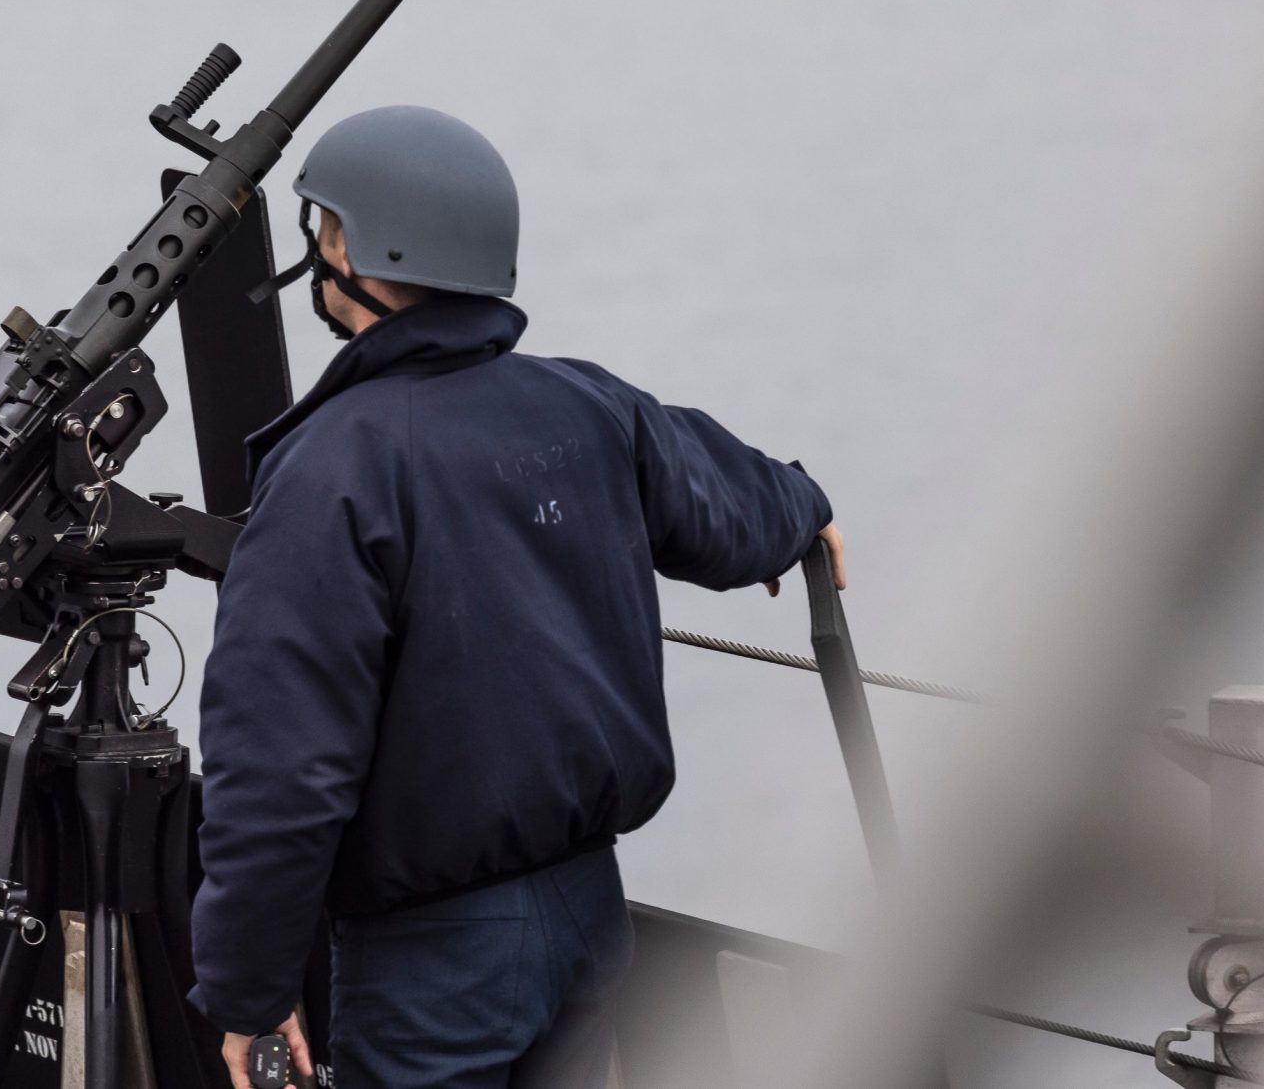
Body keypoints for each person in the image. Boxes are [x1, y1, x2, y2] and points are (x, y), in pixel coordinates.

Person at [189, 105, 844, 1089]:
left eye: (324, 227)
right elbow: (731, 508)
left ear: (352, 249)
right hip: (588, 917)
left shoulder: (333, 466)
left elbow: (282, 765)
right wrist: (807, 509)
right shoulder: (587, 405)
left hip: (433, 959)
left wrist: (246, 992)